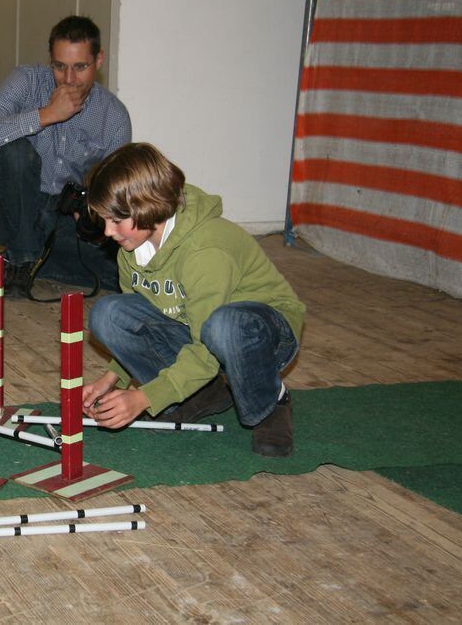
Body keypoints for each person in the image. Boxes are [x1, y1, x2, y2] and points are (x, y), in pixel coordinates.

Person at [79, 143, 306, 457]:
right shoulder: (131, 251)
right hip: (202, 332)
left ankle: (271, 402)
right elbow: (143, 321)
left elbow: (207, 344)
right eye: (104, 220)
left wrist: (144, 398)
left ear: (147, 206)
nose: (107, 231)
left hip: (262, 336)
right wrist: (110, 378)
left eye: (116, 220)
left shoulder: (205, 250)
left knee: (224, 326)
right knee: (108, 314)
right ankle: (206, 392)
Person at [0, 15, 131, 298]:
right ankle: (24, 256)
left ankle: (26, 258)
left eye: (80, 67)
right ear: (49, 60)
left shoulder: (113, 117)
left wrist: (91, 214)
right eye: (59, 66)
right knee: (17, 151)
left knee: (119, 275)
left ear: (98, 61)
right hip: (7, 207)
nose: (68, 79)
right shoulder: (26, 80)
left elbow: (118, 195)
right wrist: (45, 116)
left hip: (61, 217)